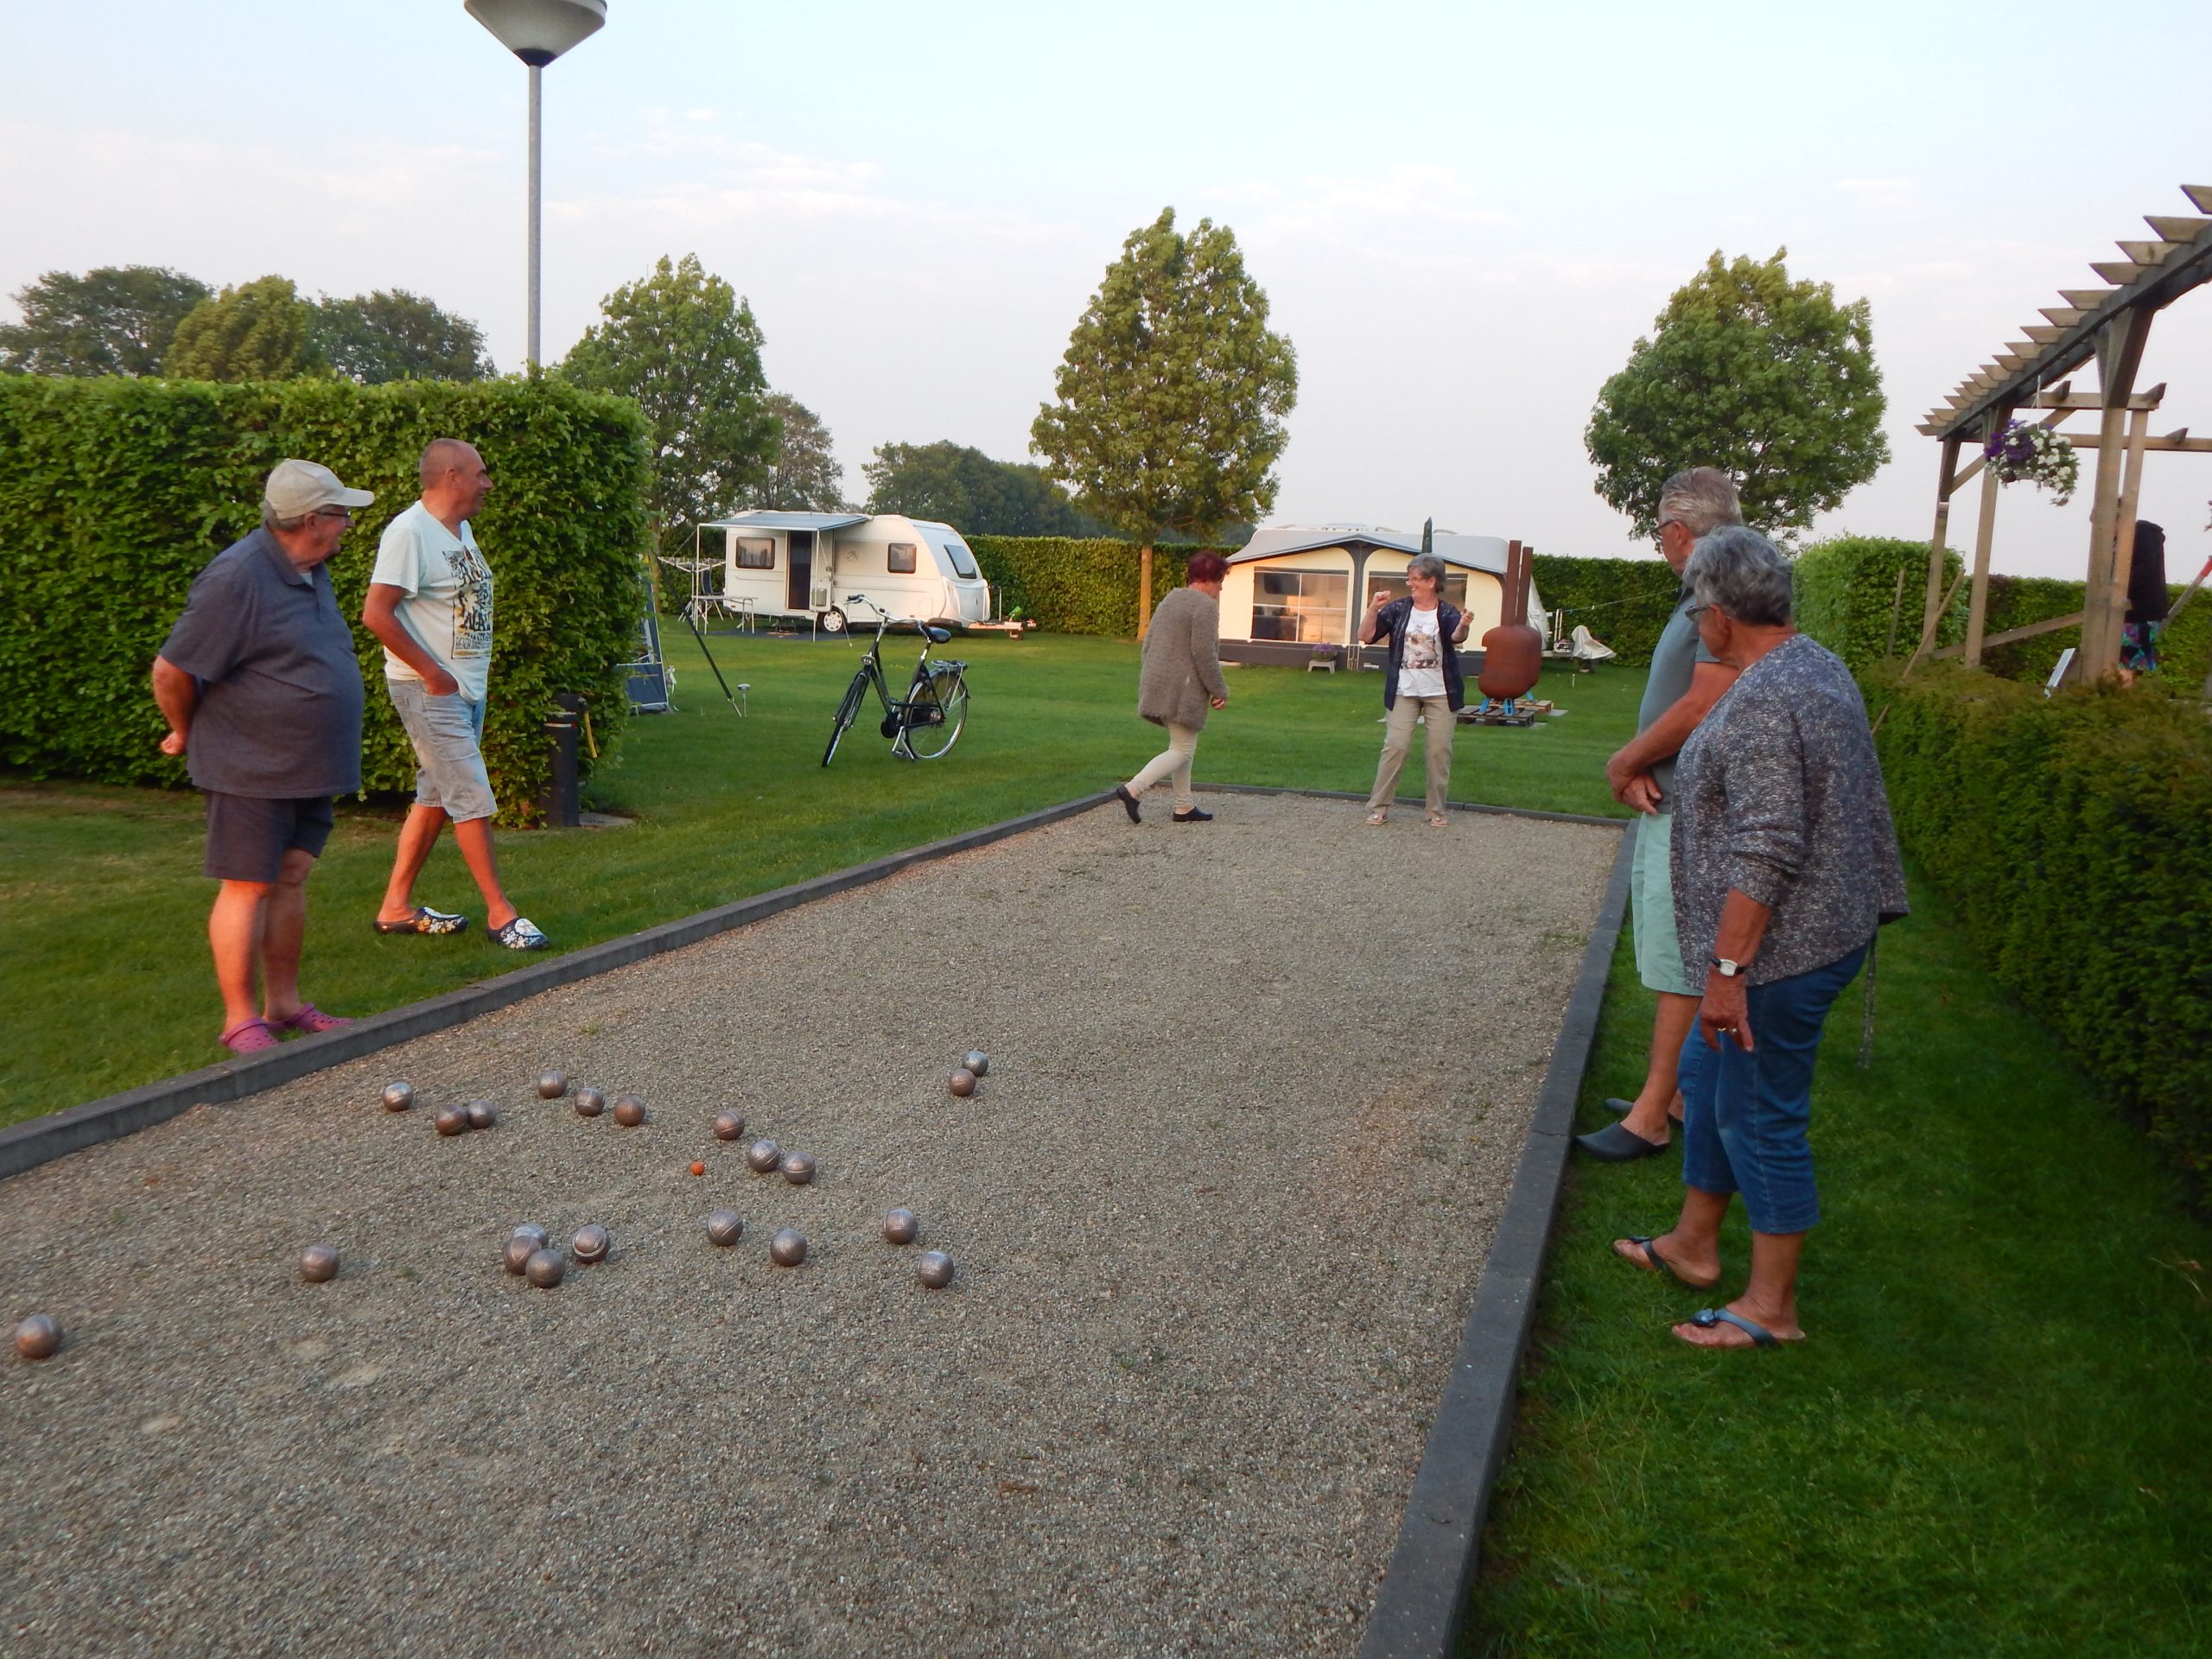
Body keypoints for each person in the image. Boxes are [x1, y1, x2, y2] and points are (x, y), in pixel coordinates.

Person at [1611, 528, 1908, 1349]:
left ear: (1717, 614)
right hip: (1810, 931)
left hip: (1784, 950)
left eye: (1696, 614)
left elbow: (1769, 847)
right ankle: (1693, 1244)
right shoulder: (1812, 664)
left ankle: (1772, 1308)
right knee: (1706, 1081)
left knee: (1758, 1116)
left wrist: (1727, 972)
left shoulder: (1767, 699)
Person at [151, 460, 373, 1054]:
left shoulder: (312, 569)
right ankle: (240, 1020)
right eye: (341, 514)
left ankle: (284, 1005)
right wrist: (183, 730)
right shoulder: (238, 576)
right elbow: (171, 670)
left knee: (292, 875)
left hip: (307, 763)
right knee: (247, 884)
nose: (349, 524)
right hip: (250, 764)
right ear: (311, 520)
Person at [1576, 467, 1745, 1161]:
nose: (1659, 543)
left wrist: (1626, 762)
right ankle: (1677, 1095)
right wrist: (1650, 759)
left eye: (1657, 533)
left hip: (1695, 810)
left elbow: (1705, 702)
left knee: (1679, 958)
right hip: (1674, 790)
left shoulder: (1721, 586)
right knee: (1673, 950)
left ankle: (1650, 1117)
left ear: (1677, 531)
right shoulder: (1711, 581)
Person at [363, 438, 547, 949]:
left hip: (463, 690)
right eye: (480, 473)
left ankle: (395, 906)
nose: (488, 483)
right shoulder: (409, 533)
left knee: (436, 797)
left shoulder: (461, 530)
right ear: (452, 477)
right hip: (428, 689)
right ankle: (501, 914)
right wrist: (434, 674)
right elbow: (376, 613)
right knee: (471, 796)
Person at [1113, 550, 1231, 824]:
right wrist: (1219, 690)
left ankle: (1184, 806)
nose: (1220, 588)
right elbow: (1204, 653)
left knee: (1182, 745)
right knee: (1182, 750)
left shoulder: (1170, 599)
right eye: (1219, 581)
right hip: (1182, 689)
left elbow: (1148, 643)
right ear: (1208, 580)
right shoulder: (1205, 607)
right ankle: (1133, 789)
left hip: (1157, 681)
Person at [1357, 553, 1473, 828]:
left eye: (1415, 579)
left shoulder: (1447, 612)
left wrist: (1464, 625)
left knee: (1439, 752)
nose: (1410, 583)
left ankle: (1436, 810)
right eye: (1409, 578)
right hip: (1403, 691)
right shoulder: (1398, 609)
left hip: (1441, 692)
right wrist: (1373, 609)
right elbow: (1364, 636)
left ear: (1432, 581)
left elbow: (1456, 637)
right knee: (1395, 746)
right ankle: (1378, 807)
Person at [2120, 519, 2169, 684]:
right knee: (2128, 662)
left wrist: (2121, 586)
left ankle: (2123, 694)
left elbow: (2146, 567)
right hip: (2137, 610)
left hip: (2141, 610)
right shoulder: (2137, 536)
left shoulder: (2143, 534)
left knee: (2128, 663)